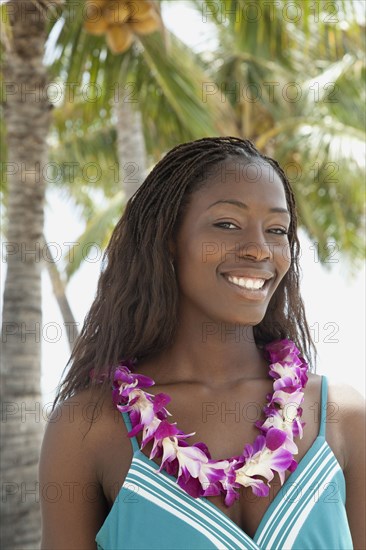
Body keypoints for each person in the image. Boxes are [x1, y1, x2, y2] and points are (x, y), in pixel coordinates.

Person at [39, 137, 365, 550]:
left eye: (277, 230)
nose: (259, 249)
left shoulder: (340, 416)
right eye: (227, 224)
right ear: (169, 239)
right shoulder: (87, 428)